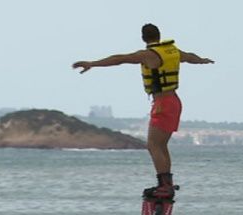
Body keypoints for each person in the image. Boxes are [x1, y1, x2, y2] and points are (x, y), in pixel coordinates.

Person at [73, 23, 214, 198]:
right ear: (159, 35)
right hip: (174, 101)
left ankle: (164, 186)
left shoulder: (147, 55)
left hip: (163, 103)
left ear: (143, 38)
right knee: (161, 145)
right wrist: (202, 60)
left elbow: (120, 59)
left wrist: (92, 63)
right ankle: (166, 184)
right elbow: (190, 57)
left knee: (153, 145)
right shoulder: (172, 51)